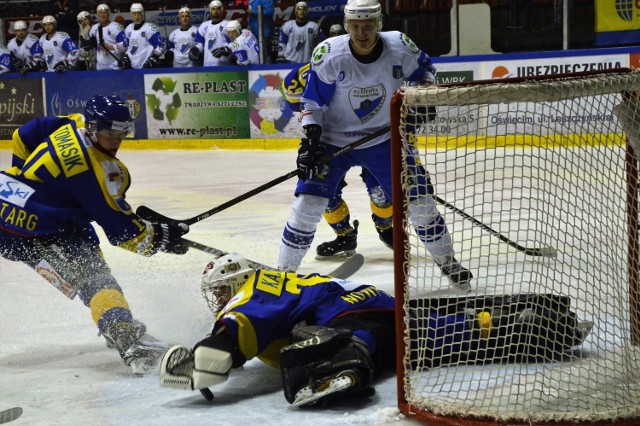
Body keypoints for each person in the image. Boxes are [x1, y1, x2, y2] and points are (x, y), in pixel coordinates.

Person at [158, 254, 593, 407]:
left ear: (234, 280)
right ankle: (531, 323)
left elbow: (230, 339)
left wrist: (200, 361)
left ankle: (343, 362)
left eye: (219, 291)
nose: (217, 300)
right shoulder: (286, 281)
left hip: (348, 322)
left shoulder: (251, 291)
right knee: (433, 338)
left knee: (328, 348)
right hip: (382, 306)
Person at [276, 0, 474, 291]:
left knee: (420, 204)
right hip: (333, 139)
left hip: (384, 138)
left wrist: (423, 96)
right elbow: (312, 102)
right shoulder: (330, 54)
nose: (361, 33)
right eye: (355, 26)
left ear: (379, 24)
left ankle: (447, 261)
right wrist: (310, 140)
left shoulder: (400, 47)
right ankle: (283, 274)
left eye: (368, 26)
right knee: (309, 204)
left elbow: (426, 71)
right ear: (347, 26)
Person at [0, 95, 191, 374]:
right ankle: (127, 340)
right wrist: (161, 237)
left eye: (121, 132)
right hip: (33, 229)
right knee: (96, 279)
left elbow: (23, 135)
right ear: (92, 128)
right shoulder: (103, 171)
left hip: (13, 199)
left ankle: (117, 324)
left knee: (91, 258)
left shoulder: (72, 124)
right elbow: (123, 232)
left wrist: (29, 182)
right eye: (109, 133)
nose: (116, 139)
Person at [281, 62, 393, 256]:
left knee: (380, 194)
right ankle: (345, 236)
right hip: (332, 140)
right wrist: (312, 144)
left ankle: (385, 228)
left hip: (376, 140)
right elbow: (309, 114)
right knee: (322, 193)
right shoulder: (294, 81)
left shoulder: (361, 73)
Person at [122, 3, 165, 69]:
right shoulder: (128, 28)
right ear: (131, 15)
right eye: (134, 14)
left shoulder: (150, 28)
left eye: (139, 13)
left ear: (143, 14)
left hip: (146, 66)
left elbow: (161, 46)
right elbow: (128, 47)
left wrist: (154, 57)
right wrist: (126, 56)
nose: (137, 16)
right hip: (132, 67)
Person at [190, 0, 232, 67]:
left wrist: (227, 49)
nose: (216, 11)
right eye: (213, 9)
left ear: (222, 10)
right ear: (210, 10)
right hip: (207, 66)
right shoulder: (203, 26)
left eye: (218, 9)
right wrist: (195, 49)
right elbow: (200, 43)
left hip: (224, 66)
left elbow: (234, 43)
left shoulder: (228, 25)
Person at [88, 3, 127, 71]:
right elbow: (91, 43)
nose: (103, 15)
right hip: (100, 67)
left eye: (105, 12)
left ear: (109, 14)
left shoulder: (116, 27)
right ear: (98, 15)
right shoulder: (94, 28)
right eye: (100, 13)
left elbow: (125, 45)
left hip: (115, 67)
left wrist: (110, 47)